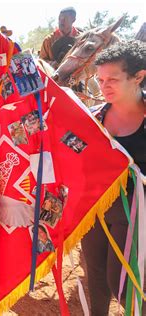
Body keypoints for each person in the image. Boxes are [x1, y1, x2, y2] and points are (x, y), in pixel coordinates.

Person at [81, 40, 145, 315]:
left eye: (113, 79)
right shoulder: (94, 118)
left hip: (135, 214)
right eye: (100, 79)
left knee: (122, 283)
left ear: (139, 76)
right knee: (94, 274)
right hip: (94, 209)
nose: (104, 86)